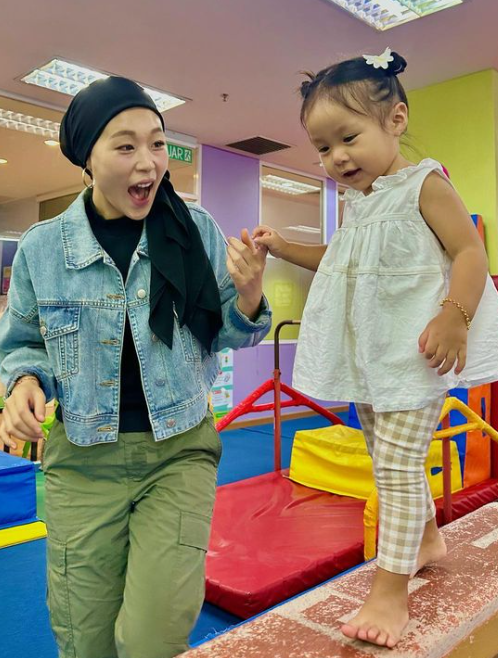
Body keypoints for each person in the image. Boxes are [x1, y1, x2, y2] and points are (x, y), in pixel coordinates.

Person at [0, 76, 271, 658]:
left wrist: (249, 298)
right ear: (87, 158)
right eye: (125, 146)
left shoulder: (194, 231)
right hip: (82, 461)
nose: (148, 162)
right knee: (85, 641)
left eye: (157, 143)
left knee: (153, 639)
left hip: (178, 453)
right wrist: (22, 384)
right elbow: (23, 345)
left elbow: (229, 332)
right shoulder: (43, 249)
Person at [253, 47, 498, 648]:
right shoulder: (357, 204)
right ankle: (426, 540)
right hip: (370, 358)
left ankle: (390, 595)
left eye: (348, 138)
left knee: (394, 466)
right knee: (385, 458)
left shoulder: (424, 184)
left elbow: (470, 252)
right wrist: (283, 247)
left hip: (416, 355)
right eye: (322, 148)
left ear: (396, 120)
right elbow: (336, 261)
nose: (336, 157)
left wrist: (455, 315)